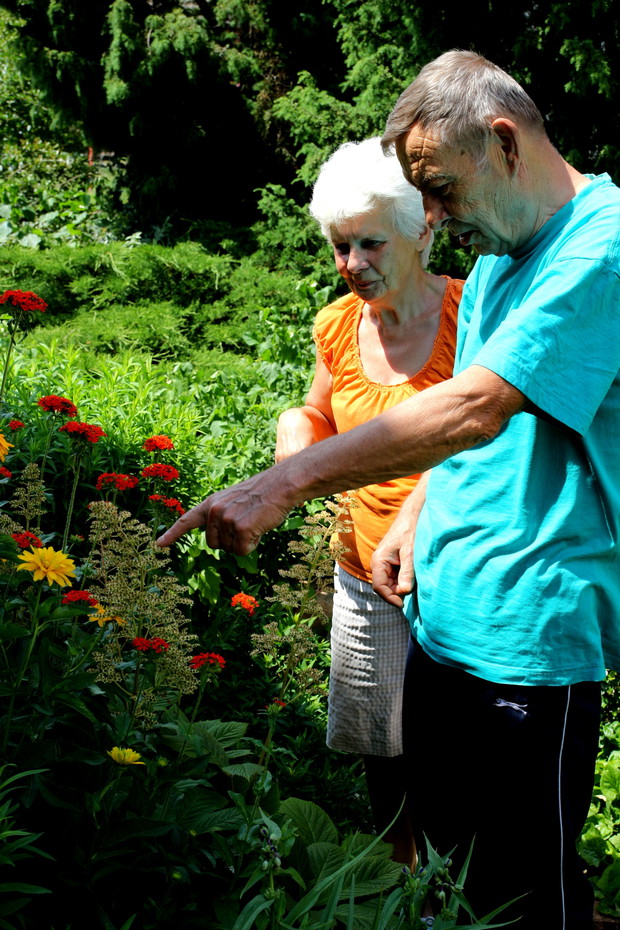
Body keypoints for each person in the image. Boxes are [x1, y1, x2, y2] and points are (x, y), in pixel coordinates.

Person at [159, 51, 620, 929]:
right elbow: (472, 434)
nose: (435, 217)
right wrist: (416, 509)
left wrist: (283, 483)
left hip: (531, 635)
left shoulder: (603, 248)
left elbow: (480, 405)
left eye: (440, 190)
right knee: (455, 882)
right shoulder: (499, 261)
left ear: (503, 140)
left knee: (528, 905)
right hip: (442, 620)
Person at [275, 137, 462, 863]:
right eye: (340, 246)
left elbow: (493, 436)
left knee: (454, 751)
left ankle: (458, 886)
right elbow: (318, 413)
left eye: (370, 243)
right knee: (380, 747)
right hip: (362, 576)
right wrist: (297, 432)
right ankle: (400, 882)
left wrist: (422, 515)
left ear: (423, 228)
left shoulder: (466, 313)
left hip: (455, 575)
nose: (352, 264)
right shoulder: (338, 326)